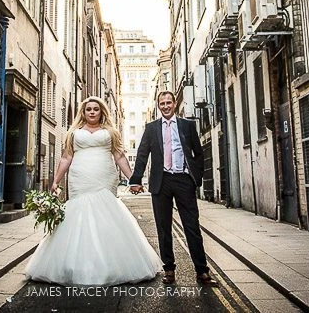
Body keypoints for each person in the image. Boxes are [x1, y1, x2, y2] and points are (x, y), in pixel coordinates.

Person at [25, 96, 162, 286]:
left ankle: (110, 265)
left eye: (95, 109)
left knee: (105, 212)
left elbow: (120, 156)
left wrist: (134, 179)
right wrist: (55, 181)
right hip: (79, 178)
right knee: (78, 214)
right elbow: (66, 157)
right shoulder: (73, 133)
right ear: (83, 111)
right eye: (88, 109)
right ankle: (74, 265)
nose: (92, 112)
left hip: (104, 176)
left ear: (101, 112)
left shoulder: (110, 132)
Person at [129, 91, 219, 286]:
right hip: (161, 182)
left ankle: (202, 271)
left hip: (183, 180)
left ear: (175, 104)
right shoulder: (151, 128)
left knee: (192, 226)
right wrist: (135, 180)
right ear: (158, 105)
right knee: (163, 228)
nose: (166, 106)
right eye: (162, 103)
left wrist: (196, 177)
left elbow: (198, 152)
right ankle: (169, 270)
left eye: (169, 102)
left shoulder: (187, 125)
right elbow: (142, 154)